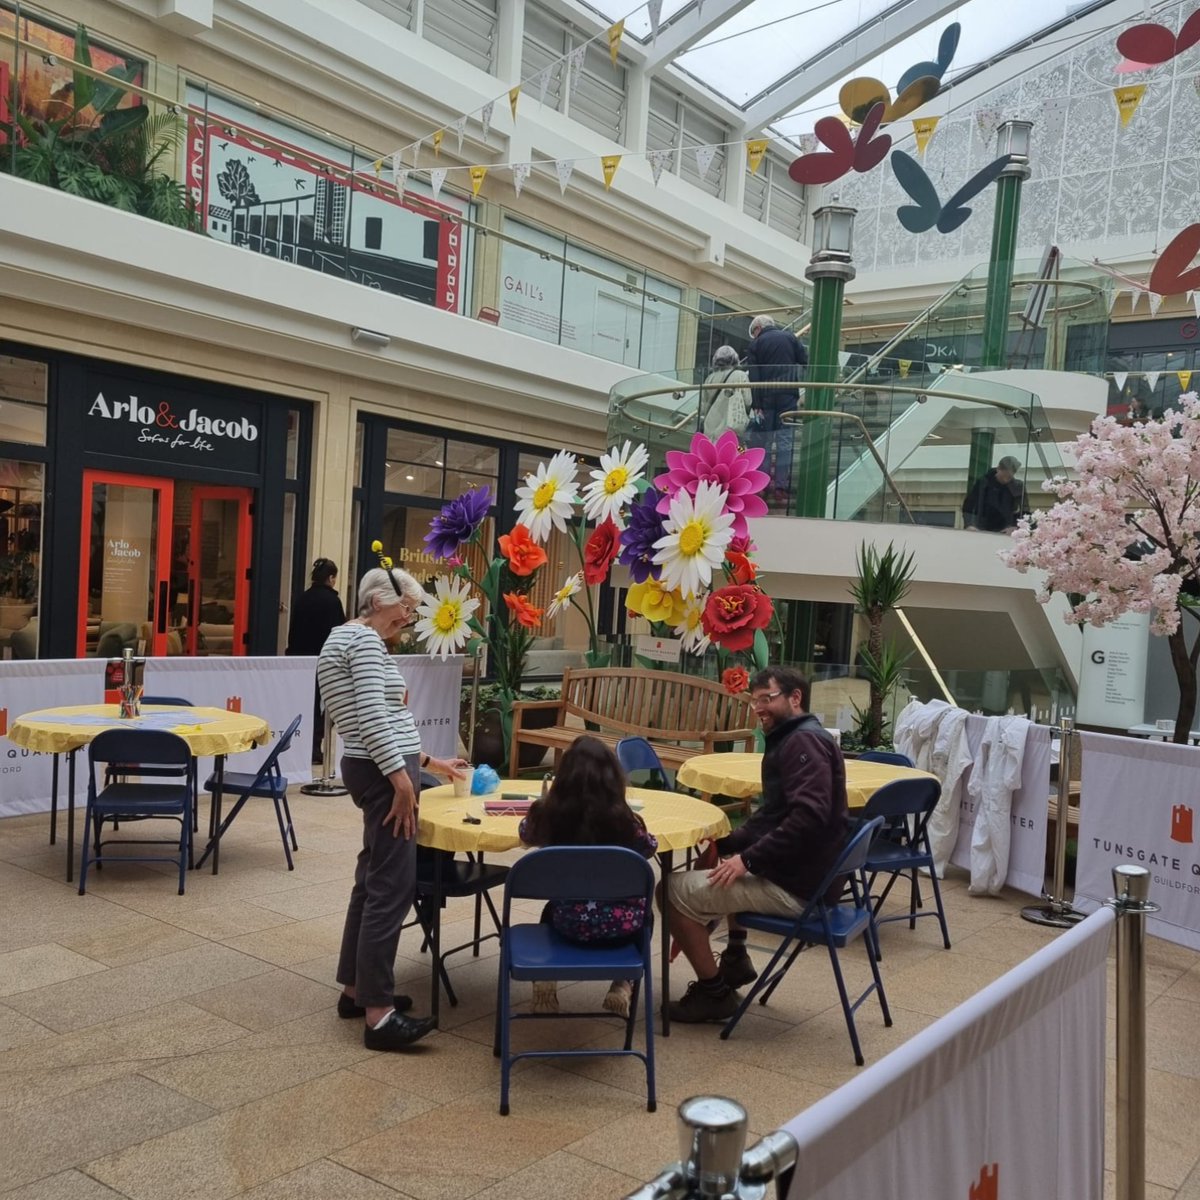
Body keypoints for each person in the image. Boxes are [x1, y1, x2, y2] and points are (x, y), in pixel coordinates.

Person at [317, 564, 468, 1051]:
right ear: (381, 599)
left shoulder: (348, 640)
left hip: (376, 765)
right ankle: (378, 1015)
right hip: (383, 773)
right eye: (408, 606)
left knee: (371, 879)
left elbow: (373, 719)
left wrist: (428, 761)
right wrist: (402, 779)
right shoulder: (361, 642)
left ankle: (356, 989)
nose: (410, 616)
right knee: (392, 887)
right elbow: (373, 715)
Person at [660, 666, 847, 1023]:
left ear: (795, 698)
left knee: (668, 892)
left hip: (800, 889)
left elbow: (808, 818)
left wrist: (746, 859)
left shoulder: (802, 742)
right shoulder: (799, 736)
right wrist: (731, 841)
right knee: (727, 858)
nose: (759, 707)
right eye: (754, 700)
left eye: (767, 699)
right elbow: (775, 815)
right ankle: (734, 956)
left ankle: (714, 995)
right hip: (811, 878)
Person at [518, 736, 658, 1019]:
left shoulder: (547, 816)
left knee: (550, 908)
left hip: (568, 924)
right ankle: (623, 982)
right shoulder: (626, 823)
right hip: (623, 929)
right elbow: (649, 846)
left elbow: (524, 834)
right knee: (648, 913)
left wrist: (543, 804)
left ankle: (546, 974)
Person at [287, 557, 346, 763]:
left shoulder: (302, 598)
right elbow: (339, 633)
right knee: (322, 706)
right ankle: (315, 748)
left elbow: (293, 630)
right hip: (324, 661)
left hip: (300, 660)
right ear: (331, 578)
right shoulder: (333, 601)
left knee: (304, 703)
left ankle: (300, 744)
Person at [744, 315, 808, 502]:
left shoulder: (756, 345)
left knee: (764, 441)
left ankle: (762, 486)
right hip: (788, 395)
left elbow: (754, 377)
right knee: (785, 441)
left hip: (766, 398)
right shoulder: (790, 337)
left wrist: (756, 404)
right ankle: (781, 487)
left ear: (758, 329)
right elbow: (804, 361)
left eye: (753, 332)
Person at [961, 456, 1028, 533]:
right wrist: (970, 525)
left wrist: (1015, 527)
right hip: (981, 529)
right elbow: (968, 506)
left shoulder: (1017, 487)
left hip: (1006, 530)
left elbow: (1024, 510)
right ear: (998, 469)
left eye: (1009, 477)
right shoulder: (983, 483)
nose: (1006, 480)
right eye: (1004, 476)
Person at [701, 345, 752, 439]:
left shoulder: (710, 378)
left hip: (710, 427)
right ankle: (742, 452)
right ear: (735, 359)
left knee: (711, 452)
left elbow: (703, 407)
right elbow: (748, 401)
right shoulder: (740, 376)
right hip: (731, 425)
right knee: (739, 450)